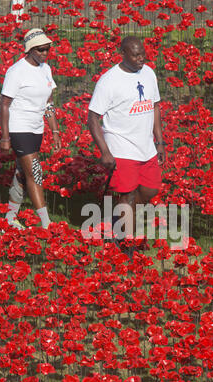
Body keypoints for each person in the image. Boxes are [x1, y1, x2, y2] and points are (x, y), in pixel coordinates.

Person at [87, 36, 165, 254]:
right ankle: (126, 246)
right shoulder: (109, 80)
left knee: (150, 190)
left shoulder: (148, 73)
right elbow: (92, 117)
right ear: (122, 53)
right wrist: (105, 151)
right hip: (121, 146)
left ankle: (117, 220)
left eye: (143, 53)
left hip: (146, 146)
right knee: (127, 195)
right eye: (136, 54)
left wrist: (159, 141)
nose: (141, 58)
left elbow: (155, 106)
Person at [0, 28, 61, 230]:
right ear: (30, 49)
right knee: (35, 172)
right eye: (41, 49)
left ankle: (10, 218)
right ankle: (46, 224)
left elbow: (49, 102)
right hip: (20, 127)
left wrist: (55, 131)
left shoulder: (45, 69)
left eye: (48, 49)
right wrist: (5, 137)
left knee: (22, 172)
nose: (45, 53)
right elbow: (4, 104)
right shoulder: (16, 72)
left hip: (36, 128)